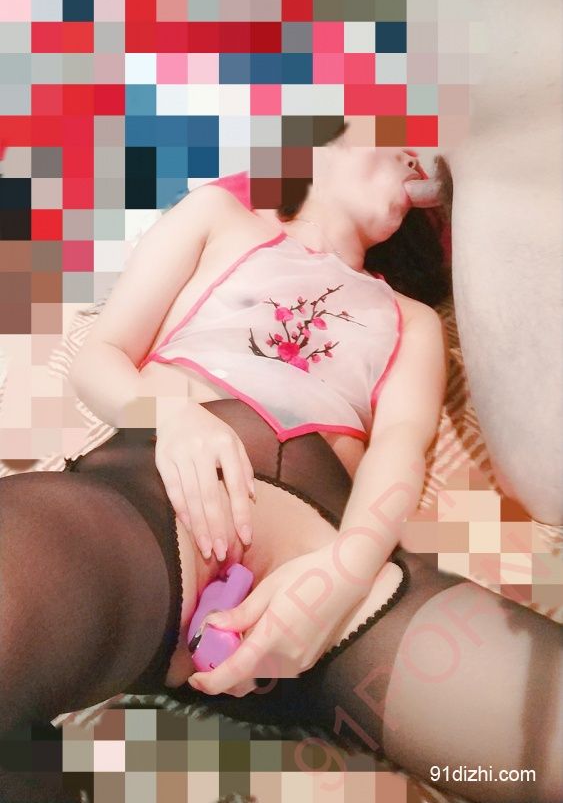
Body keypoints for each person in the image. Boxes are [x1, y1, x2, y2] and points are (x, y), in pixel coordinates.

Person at [1, 127, 561, 803]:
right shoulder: (218, 217)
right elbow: (102, 355)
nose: (417, 149)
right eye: (396, 128)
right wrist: (168, 416)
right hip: (147, 503)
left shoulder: (412, 320)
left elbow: (398, 449)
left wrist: (344, 572)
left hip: (323, 578)